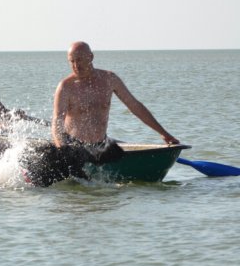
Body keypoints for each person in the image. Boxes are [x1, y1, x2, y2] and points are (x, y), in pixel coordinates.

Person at [24, 41, 180, 187]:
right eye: (72, 61)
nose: (76, 65)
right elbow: (57, 122)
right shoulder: (66, 87)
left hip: (101, 144)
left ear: (91, 57)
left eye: (80, 60)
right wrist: (62, 148)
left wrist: (164, 134)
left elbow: (135, 106)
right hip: (74, 146)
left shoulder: (109, 79)